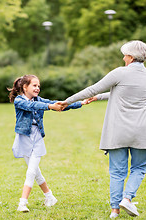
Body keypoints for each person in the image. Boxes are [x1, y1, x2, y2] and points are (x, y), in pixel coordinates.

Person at [59, 40, 146, 218]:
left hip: (118, 130)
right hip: (140, 130)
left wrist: (67, 101)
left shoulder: (120, 72)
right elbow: (124, 93)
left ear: (131, 57)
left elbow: (92, 88)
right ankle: (127, 199)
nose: (123, 58)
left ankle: (115, 210)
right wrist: (99, 97)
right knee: (139, 167)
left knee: (117, 171)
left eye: (125, 55)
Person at [9, 74, 89, 212]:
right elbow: (32, 106)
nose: (38, 88)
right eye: (34, 85)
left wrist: (80, 103)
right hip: (24, 138)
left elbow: (59, 103)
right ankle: (50, 197)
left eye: (39, 86)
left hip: (37, 138)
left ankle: (22, 203)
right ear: (25, 87)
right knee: (36, 172)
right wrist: (50, 106)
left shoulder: (39, 100)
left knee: (31, 171)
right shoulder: (19, 101)